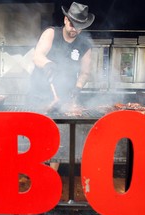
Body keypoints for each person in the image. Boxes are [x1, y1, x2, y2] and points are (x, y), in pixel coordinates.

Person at [27, 2, 95, 171]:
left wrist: (77, 87)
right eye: (72, 24)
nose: (75, 30)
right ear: (65, 20)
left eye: (79, 27)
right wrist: (48, 64)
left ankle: (51, 174)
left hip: (63, 95)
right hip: (39, 92)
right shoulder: (51, 33)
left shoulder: (85, 45)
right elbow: (37, 56)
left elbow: (85, 73)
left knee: (58, 135)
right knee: (37, 134)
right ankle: (36, 171)